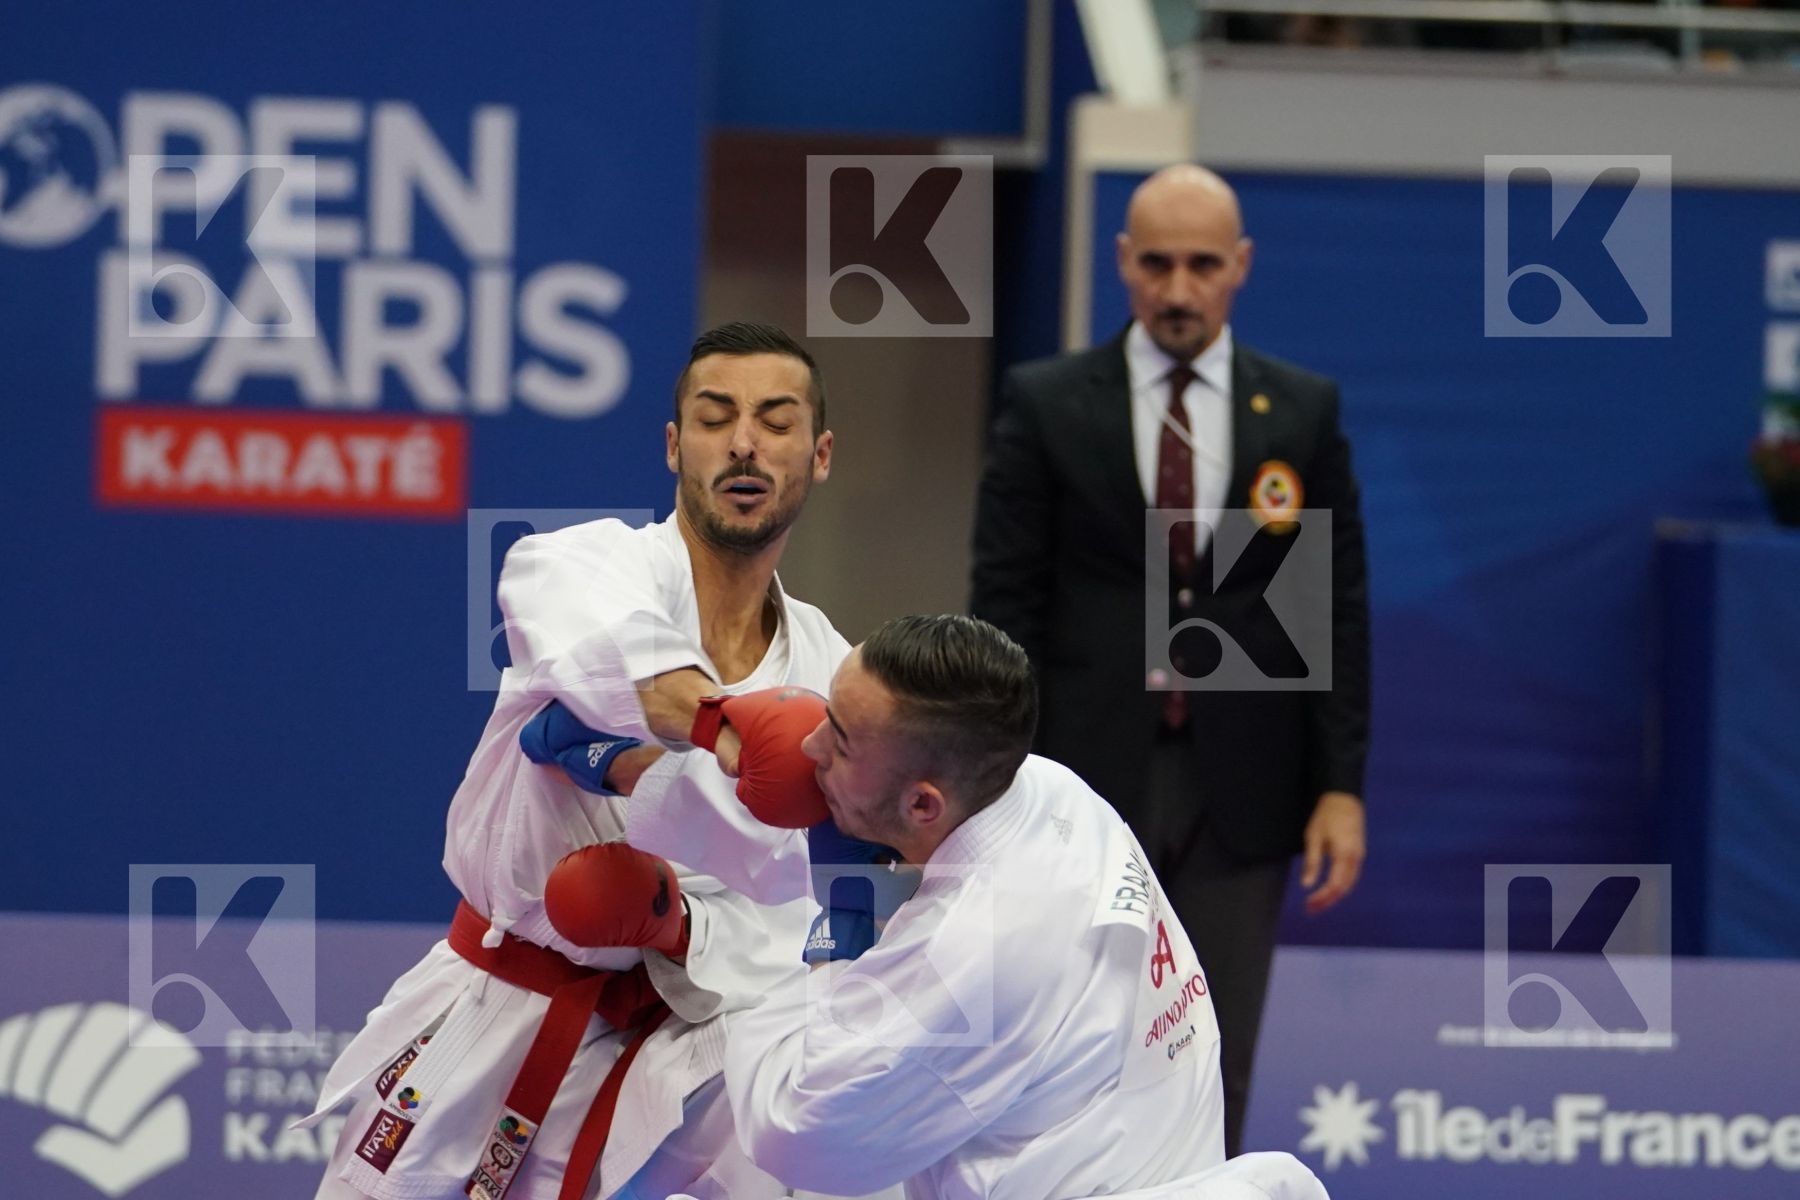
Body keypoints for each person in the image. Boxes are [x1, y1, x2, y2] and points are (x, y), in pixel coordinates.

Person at [300, 321, 861, 1200]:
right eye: (716, 418)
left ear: (820, 454)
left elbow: (812, 907)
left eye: (776, 420)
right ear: (675, 447)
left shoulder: (831, 670)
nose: (745, 441)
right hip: (499, 1008)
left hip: (683, 1056)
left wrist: (678, 921)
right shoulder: (574, 561)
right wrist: (726, 734)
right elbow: (608, 657)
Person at [969, 164, 1371, 1156]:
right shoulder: (1051, 403)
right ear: (1122, 264)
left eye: (1202, 264)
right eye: (1157, 263)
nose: (1179, 289)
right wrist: (994, 776)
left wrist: (1340, 787)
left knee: (1216, 1047)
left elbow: (1329, 607)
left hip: (1246, 781)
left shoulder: (1302, 412)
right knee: (1067, 1038)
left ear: (1240, 266)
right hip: (1079, 778)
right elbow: (1003, 605)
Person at [700, 613, 1327, 1200]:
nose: (809, 746)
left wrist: (838, 926)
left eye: (840, 740)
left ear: (923, 805)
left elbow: (794, 1132)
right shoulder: (1052, 790)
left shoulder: (976, 951)